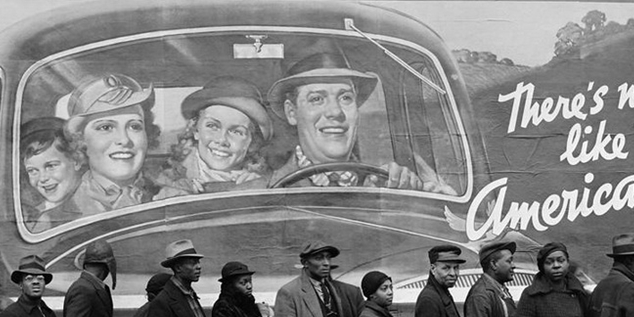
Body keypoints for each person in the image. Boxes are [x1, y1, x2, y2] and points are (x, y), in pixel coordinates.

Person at [266, 51, 456, 193]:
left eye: (346, 98)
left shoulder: (386, 188)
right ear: (292, 112)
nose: (335, 112)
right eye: (317, 99)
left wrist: (425, 199)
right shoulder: (260, 193)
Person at [64, 73, 180, 213]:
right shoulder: (57, 216)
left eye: (134, 127)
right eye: (106, 127)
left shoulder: (176, 198)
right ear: (81, 141)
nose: (124, 140)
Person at [159, 76, 273, 193]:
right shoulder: (170, 183)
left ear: (252, 142)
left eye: (237, 132)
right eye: (212, 126)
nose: (222, 140)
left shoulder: (267, 183)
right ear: (196, 130)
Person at [20, 117, 83, 231]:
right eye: (32, 171)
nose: (42, 178)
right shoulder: (32, 212)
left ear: (76, 160)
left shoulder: (88, 207)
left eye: (51, 166)